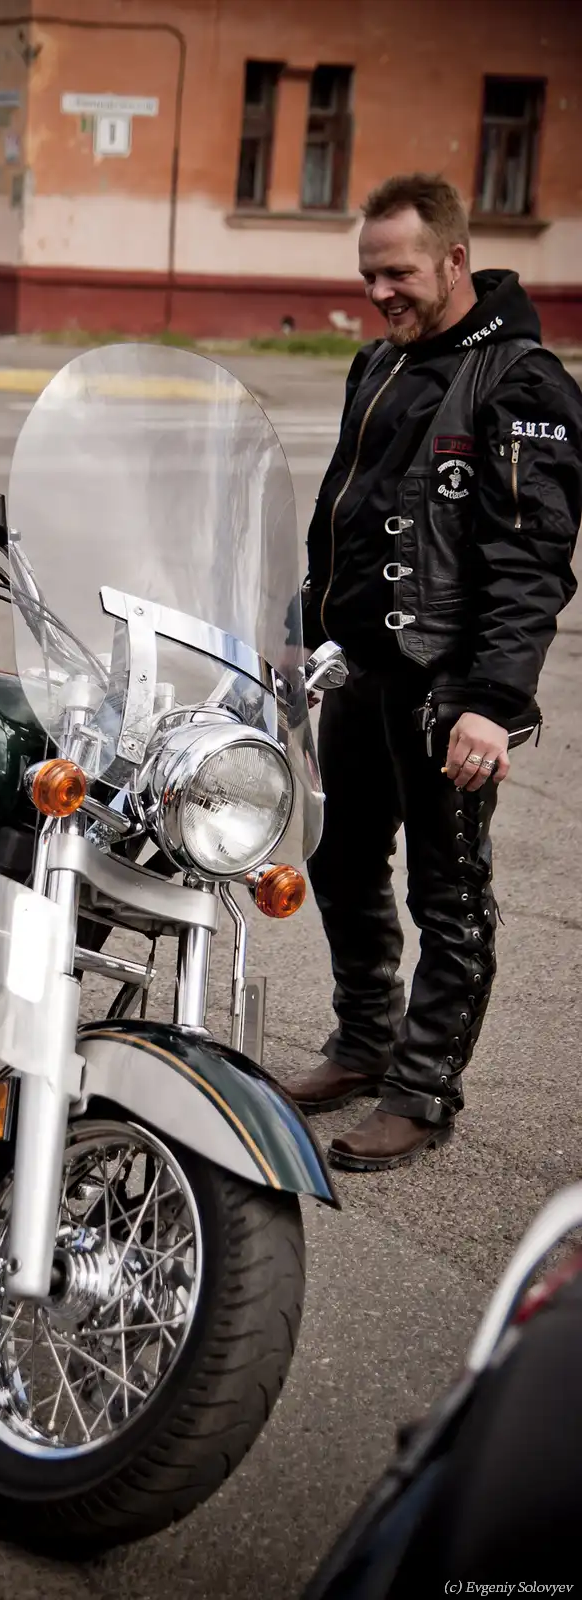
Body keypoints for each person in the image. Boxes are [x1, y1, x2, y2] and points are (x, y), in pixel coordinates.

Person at [291, 172, 582, 1171]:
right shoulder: (378, 362)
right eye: (368, 275)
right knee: (338, 862)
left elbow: (530, 563)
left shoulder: (521, 384)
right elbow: (347, 514)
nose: (379, 293)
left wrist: (492, 704)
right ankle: (363, 1042)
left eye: (399, 274)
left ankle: (422, 1089)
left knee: (447, 891)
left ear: (455, 260)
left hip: (447, 689)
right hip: (361, 671)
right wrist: (304, 629)